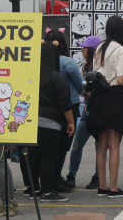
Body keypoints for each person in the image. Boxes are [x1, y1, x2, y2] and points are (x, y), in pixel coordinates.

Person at [87, 16, 123, 198]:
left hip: (99, 97)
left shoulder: (99, 47)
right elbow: (122, 78)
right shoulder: (121, 50)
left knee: (101, 145)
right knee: (114, 145)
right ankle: (114, 189)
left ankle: (102, 186)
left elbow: (96, 74)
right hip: (115, 97)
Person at [25, 42, 75, 203]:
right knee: (48, 158)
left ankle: (34, 189)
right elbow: (65, 103)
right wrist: (71, 122)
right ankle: (47, 192)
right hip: (50, 123)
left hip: (30, 121)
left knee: (34, 158)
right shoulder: (56, 77)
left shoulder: (30, 75)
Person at [43, 29, 83, 193]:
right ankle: (56, 178)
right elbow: (80, 86)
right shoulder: (68, 62)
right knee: (63, 146)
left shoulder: (41, 62)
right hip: (68, 107)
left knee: (49, 148)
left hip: (48, 107)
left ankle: (50, 179)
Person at [65, 35, 102, 190]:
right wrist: (85, 93)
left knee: (100, 147)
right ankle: (71, 175)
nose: (82, 49)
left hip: (101, 113)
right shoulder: (85, 67)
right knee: (77, 144)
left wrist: (87, 92)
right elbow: (82, 90)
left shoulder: (102, 67)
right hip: (87, 111)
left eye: (84, 47)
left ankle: (98, 177)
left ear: (93, 50)